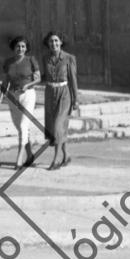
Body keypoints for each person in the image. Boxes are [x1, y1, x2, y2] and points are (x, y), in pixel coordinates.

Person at [0, 35, 40, 167]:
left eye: (23, 46)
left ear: (26, 48)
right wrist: (0, 98)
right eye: (18, 46)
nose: (20, 49)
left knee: (23, 126)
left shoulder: (31, 60)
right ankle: (30, 155)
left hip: (28, 95)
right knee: (20, 127)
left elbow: (38, 79)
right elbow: (6, 81)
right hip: (13, 97)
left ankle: (19, 158)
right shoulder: (8, 63)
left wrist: (27, 85)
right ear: (13, 48)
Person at [41, 30, 80, 170]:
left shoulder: (69, 58)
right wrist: (28, 81)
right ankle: (66, 156)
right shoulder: (45, 58)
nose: (54, 43)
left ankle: (56, 160)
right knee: (56, 128)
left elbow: (73, 80)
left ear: (61, 42)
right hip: (50, 94)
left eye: (56, 41)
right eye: (51, 41)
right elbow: (44, 77)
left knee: (58, 126)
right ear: (48, 43)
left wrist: (76, 100)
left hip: (64, 94)